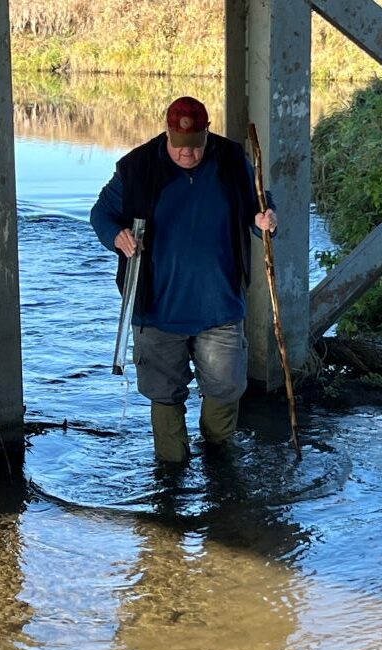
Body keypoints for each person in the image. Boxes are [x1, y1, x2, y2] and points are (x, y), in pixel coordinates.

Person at [90, 96, 277, 464]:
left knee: (225, 390)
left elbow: (261, 204)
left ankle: (218, 459)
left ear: (207, 133)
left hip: (220, 306)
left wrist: (266, 220)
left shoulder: (231, 160)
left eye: (195, 147)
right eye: (180, 148)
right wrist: (116, 236)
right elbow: (102, 214)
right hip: (157, 309)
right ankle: (170, 477)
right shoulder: (136, 167)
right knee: (164, 394)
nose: (188, 155)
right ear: (168, 133)